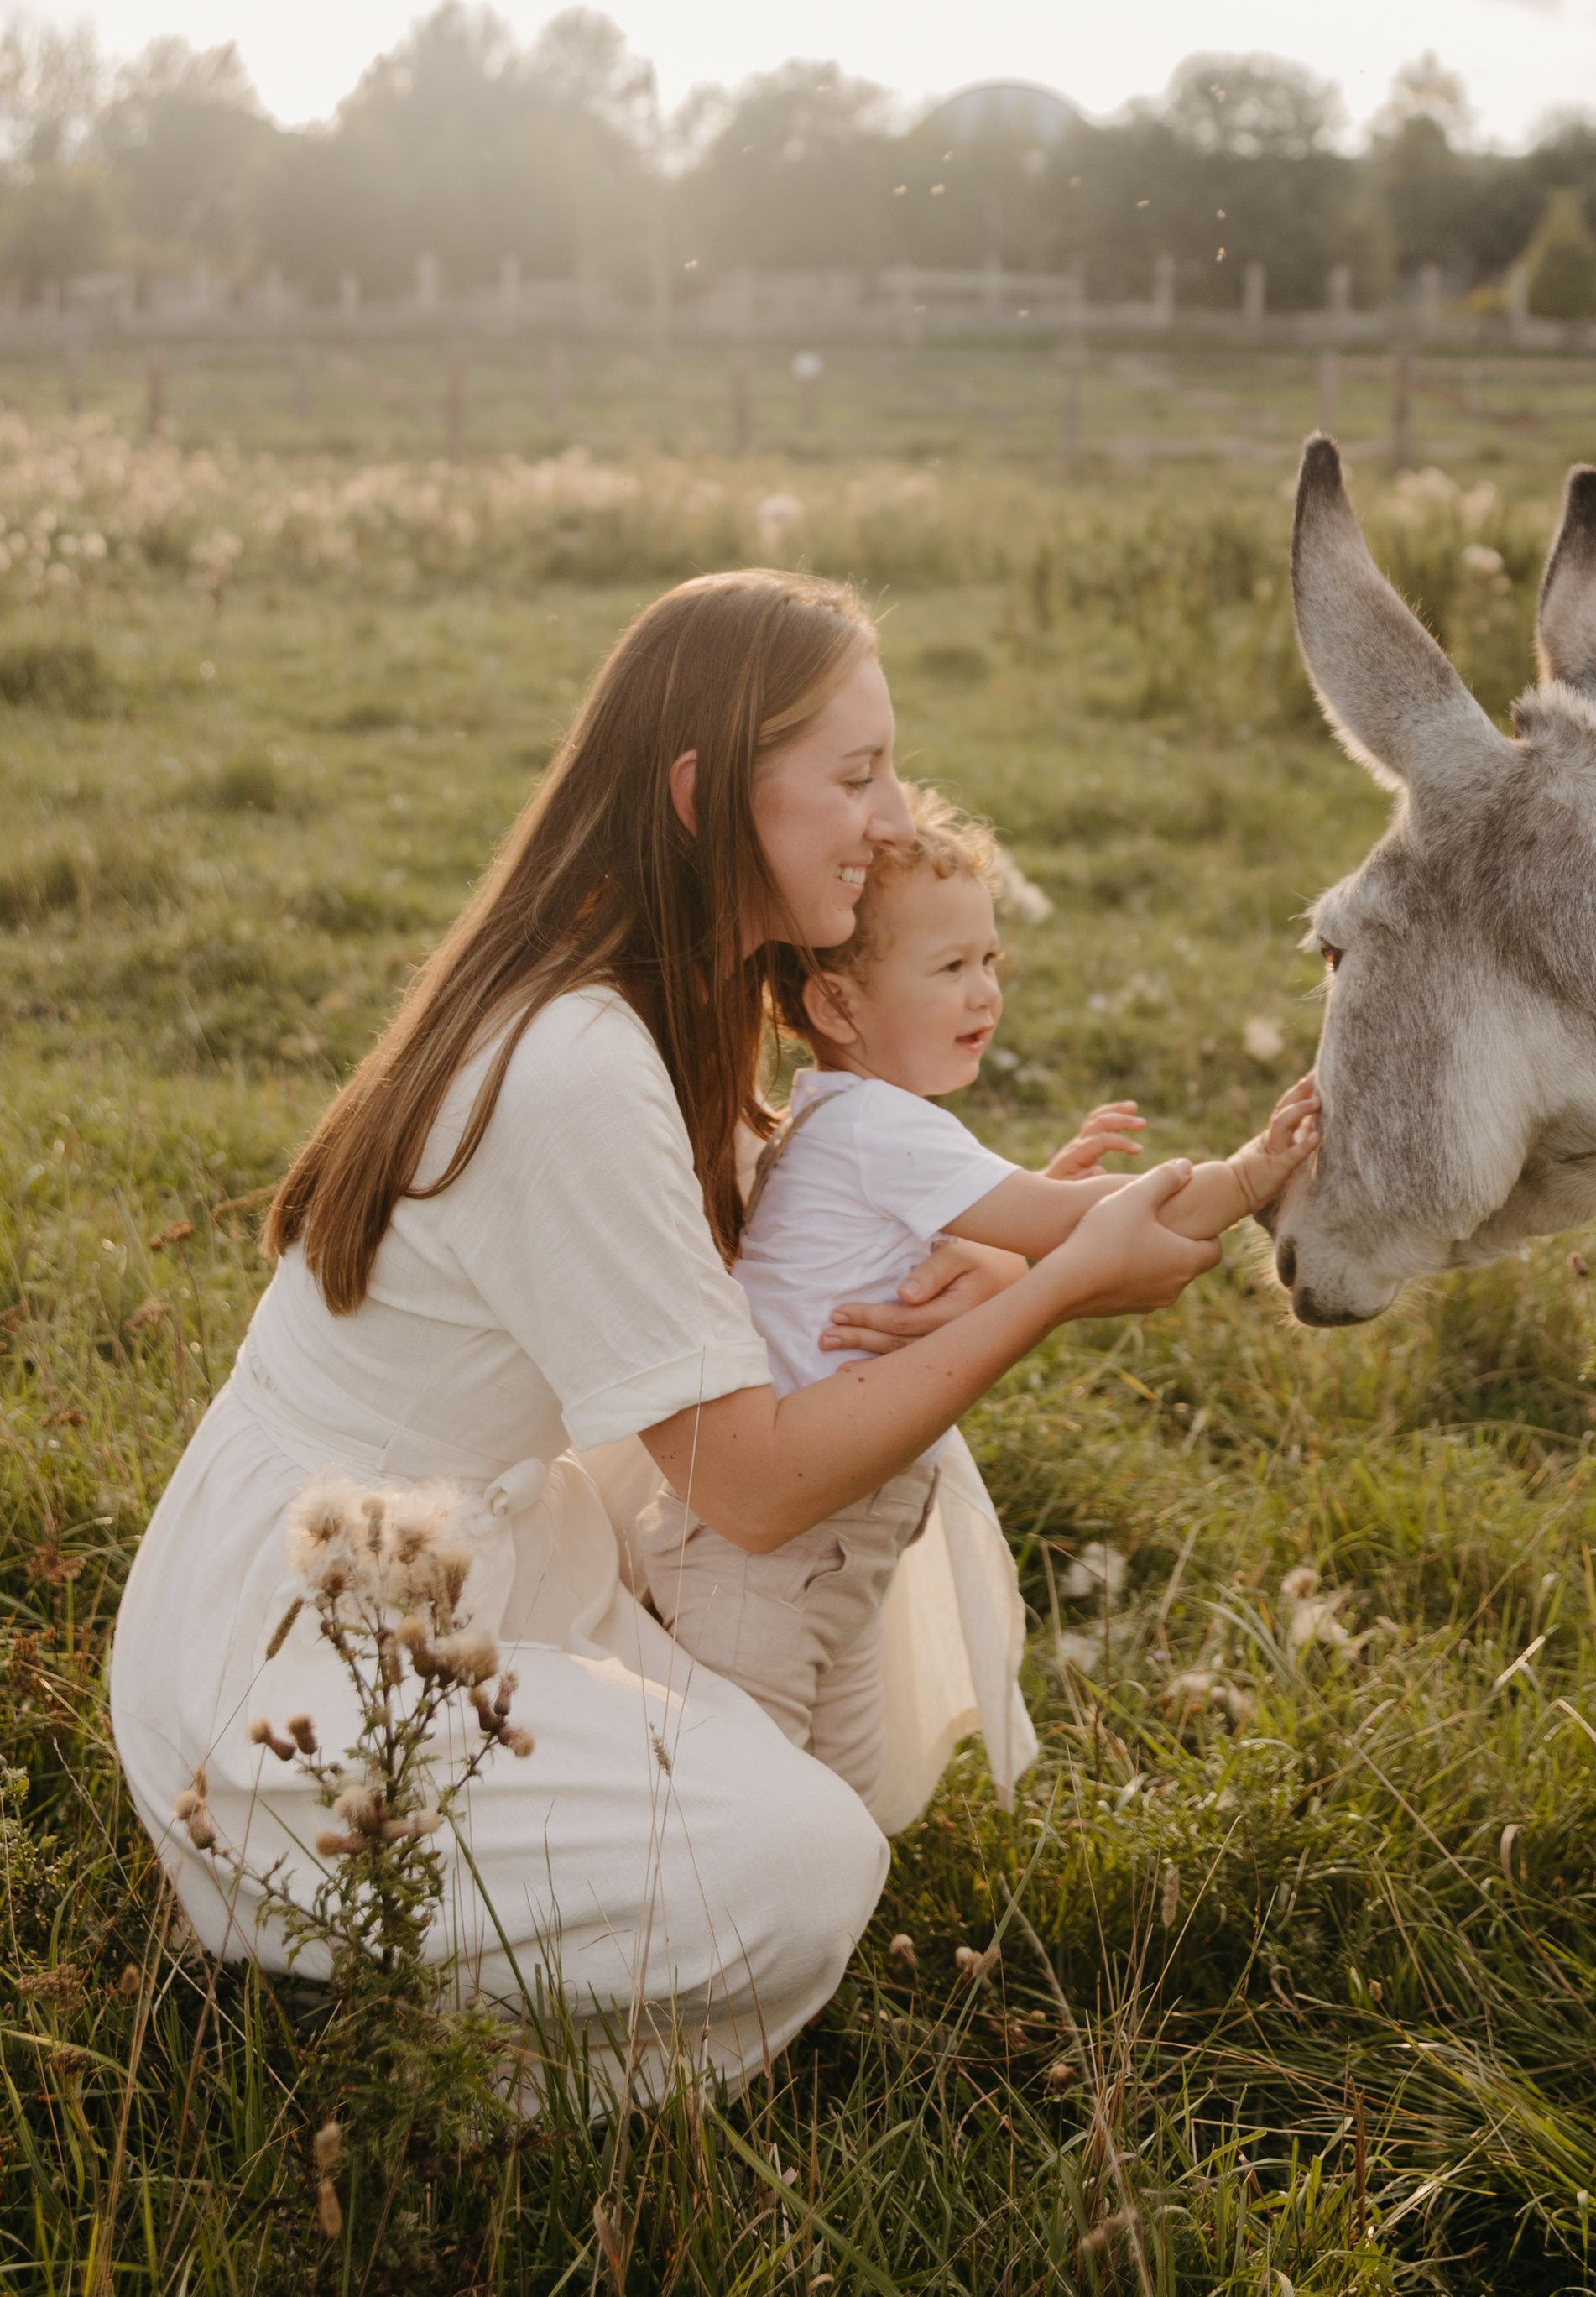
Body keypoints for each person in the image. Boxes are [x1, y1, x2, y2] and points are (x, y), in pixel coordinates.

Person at [108, 569, 1224, 2098]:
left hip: (488, 1545)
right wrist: (1048, 1290)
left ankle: (433, 1944)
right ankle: (375, 2061)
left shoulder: (649, 986)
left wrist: (980, 1268)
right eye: (854, 775)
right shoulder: (575, 1056)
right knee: (808, 1866)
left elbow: (782, 1256)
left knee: (879, 1478)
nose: (896, 819)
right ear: (704, 795)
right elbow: (751, 1485)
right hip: (319, 1622)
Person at [619, 784, 1319, 1823]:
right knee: (737, 1822)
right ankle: (695, 1971)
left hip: (827, 1550)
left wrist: (1025, 1203)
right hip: (757, 1572)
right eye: (949, 969)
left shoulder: (858, 1122)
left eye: (990, 961)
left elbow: (954, 1238)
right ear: (837, 1007)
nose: (985, 994)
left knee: (837, 1808)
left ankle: (799, 1957)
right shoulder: (882, 1132)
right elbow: (1094, 1220)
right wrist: (1254, 1172)